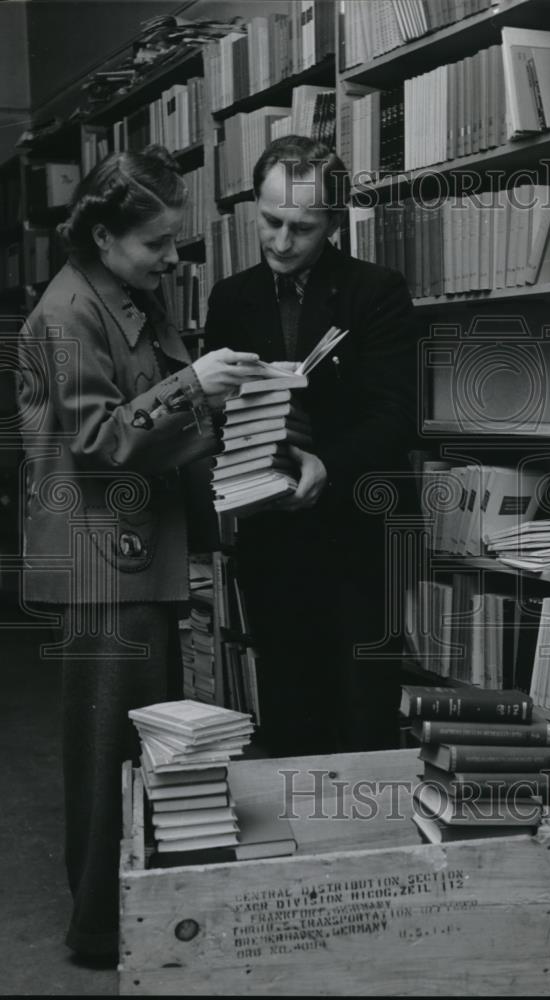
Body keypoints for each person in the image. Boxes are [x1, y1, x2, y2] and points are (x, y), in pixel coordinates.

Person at [17, 145, 264, 963]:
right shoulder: (67, 313)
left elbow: (152, 422)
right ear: (103, 239)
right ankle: (99, 932)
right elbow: (98, 440)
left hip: (135, 551)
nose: (172, 257)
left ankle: (141, 912)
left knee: (144, 745)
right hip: (100, 562)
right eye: (156, 243)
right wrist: (195, 384)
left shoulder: (124, 296)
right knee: (106, 756)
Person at [204, 135, 418, 757]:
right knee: (289, 708)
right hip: (271, 532)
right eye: (270, 221)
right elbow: (216, 414)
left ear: (333, 220)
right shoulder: (229, 297)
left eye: (301, 227)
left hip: (357, 532)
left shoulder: (375, 290)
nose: (280, 241)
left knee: (362, 712)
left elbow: (397, 415)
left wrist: (328, 463)